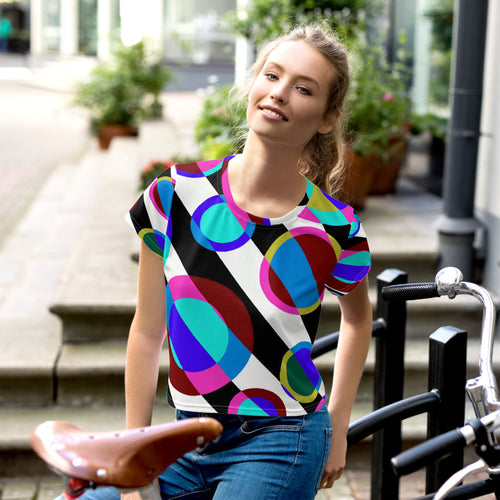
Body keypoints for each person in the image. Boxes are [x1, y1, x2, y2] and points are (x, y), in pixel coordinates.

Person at [67, 24, 372, 500]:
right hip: (183, 439)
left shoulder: (335, 228)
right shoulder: (173, 195)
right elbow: (147, 334)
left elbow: (358, 322)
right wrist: (135, 460)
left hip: (282, 439)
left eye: (304, 88)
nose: (280, 94)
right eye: (272, 76)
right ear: (254, 83)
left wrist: (338, 426)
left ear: (327, 118)